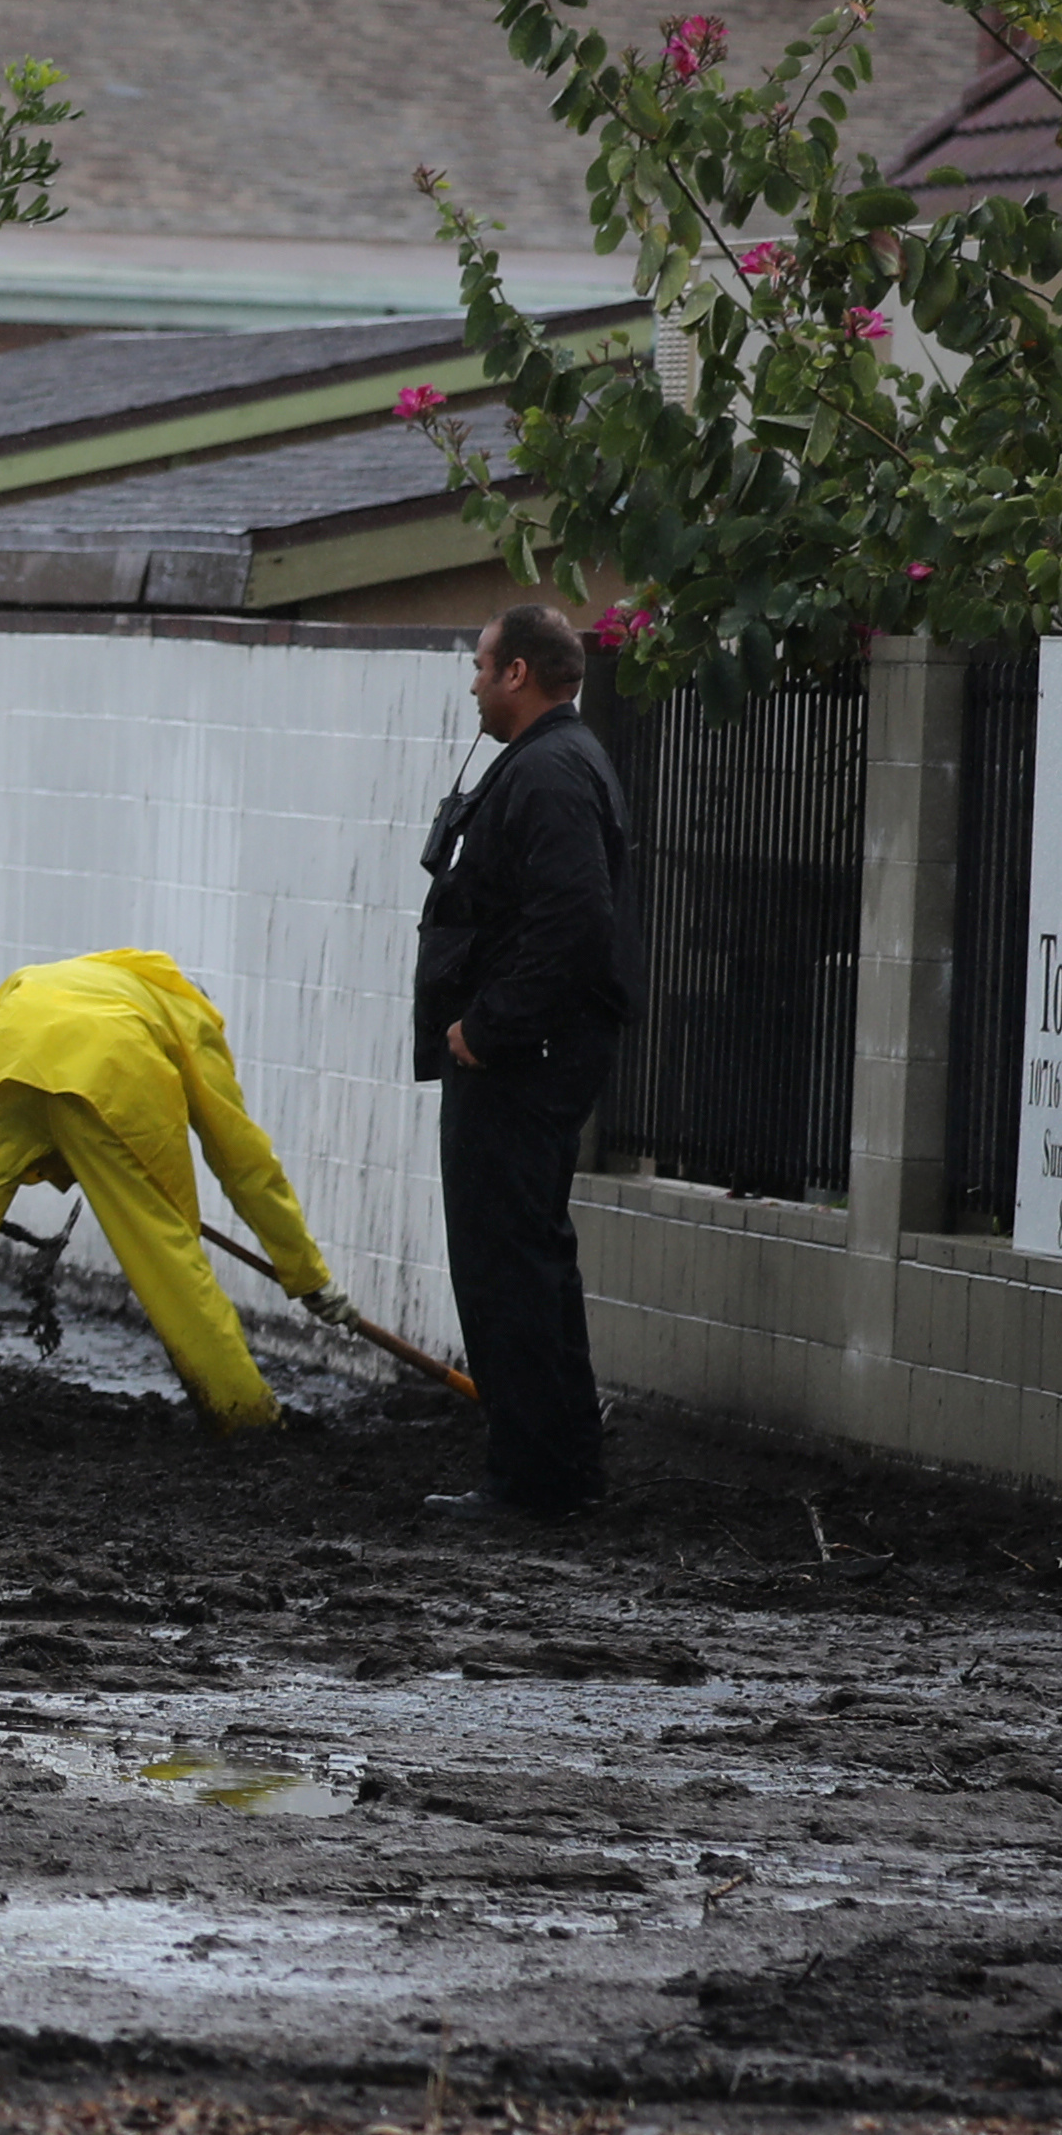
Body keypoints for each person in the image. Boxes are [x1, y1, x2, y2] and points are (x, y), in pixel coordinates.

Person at [0, 949, 344, 1431]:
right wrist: (307, 1273)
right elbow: (243, 1159)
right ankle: (245, 1416)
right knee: (172, 1268)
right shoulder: (189, 1017)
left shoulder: (60, 976)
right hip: (110, 1083)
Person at [416, 600, 637, 1521]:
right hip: (526, 1055)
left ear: (517, 673)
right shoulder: (550, 764)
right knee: (526, 1260)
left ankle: (532, 1484)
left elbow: (571, 921)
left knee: (508, 1264)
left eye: (481, 664)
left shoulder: (548, 774)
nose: (472, 681)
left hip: (521, 1061)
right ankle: (557, 1473)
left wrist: (488, 1027)